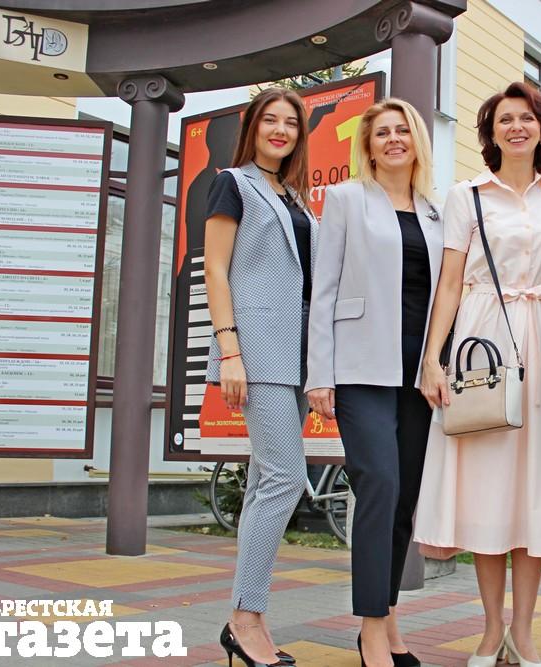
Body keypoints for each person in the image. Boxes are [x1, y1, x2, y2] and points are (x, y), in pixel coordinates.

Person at [416, 82, 541, 667]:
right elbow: (450, 282)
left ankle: (523, 631)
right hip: (482, 340)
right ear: (491, 132)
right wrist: (432, 359)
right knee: (489, 484)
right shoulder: (465, 195)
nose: (516, 126)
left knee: (535, 486)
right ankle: (490, 627)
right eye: (505, 119)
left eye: (527, 118)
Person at [306, 98, 443, 667]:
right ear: (367, 145)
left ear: (416, 141)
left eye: (402, 130)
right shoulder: (345, 199)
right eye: (382, 132)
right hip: (360, 366)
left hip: (419, 373)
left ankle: (388, 619)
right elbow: (324, 288)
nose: (393, 139)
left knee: (404, 497)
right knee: (379, 485)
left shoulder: (435, 212)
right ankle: (369, 630)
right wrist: (320, 373)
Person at [205, 87, 318, 667]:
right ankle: (246, 618)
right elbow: (215, 267)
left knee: (262, 484)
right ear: (252, 127)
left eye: (290, 123)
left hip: (296, 354)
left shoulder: (295, 196)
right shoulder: (234, 183)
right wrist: (230, 350)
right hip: (255, 349)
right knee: (284, 478)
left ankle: (245, 616)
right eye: (269, 120)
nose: (280, 130)